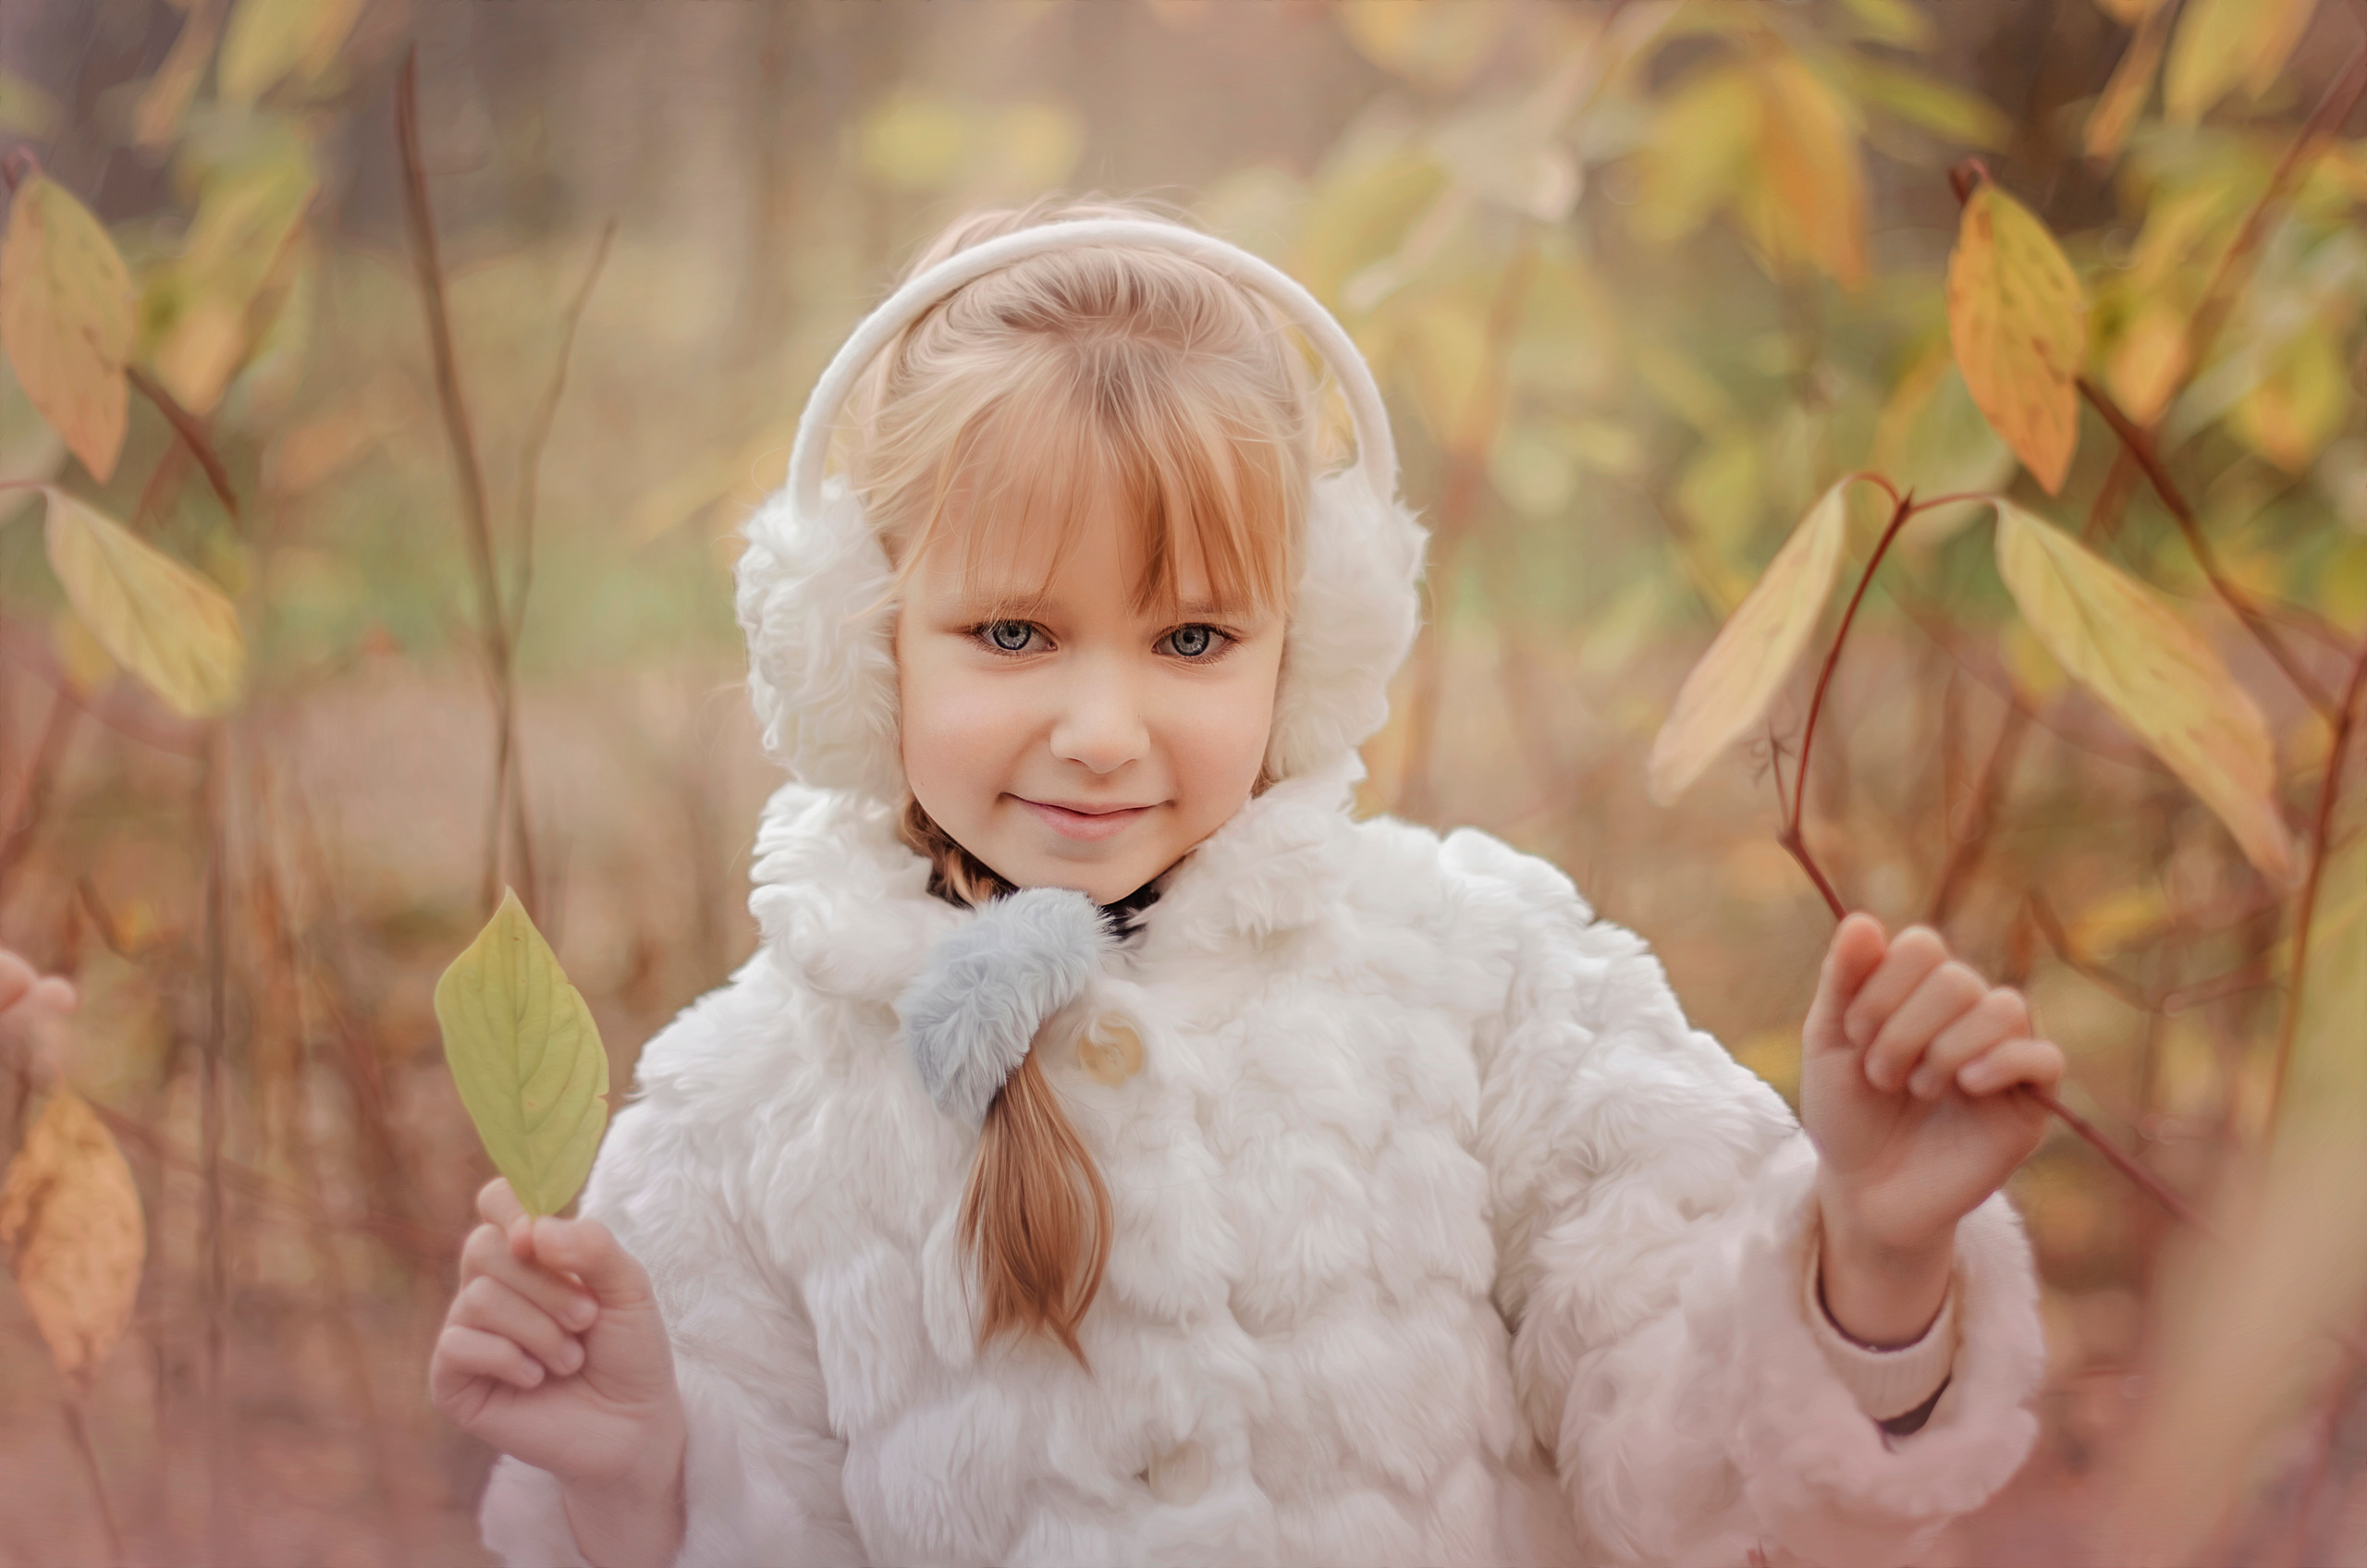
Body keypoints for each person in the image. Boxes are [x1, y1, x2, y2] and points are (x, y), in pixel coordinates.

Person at [428, 197, 2061, 1568]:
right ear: (855, 642)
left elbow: (1704, 1485)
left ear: (1316, 646)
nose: (1099, 729)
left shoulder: (1484, 987)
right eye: (1012, 633)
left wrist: (1873, 1262)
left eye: (1194, 638)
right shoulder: (740, 1122)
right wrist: (634, 1482)